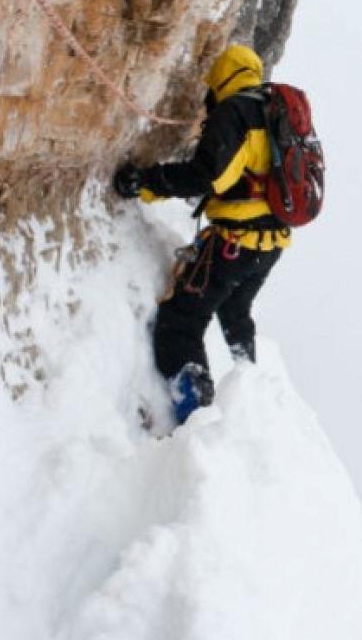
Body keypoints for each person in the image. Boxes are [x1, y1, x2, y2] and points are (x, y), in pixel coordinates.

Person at [112, 44, 290, 424]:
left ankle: (196, 418)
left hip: (234, 245)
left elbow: (208, 175)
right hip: (270, 246)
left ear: (221, 80)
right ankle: (250, 379)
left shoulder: (236, 113)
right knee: (235, 310)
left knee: (180, 325)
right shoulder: (274, 112)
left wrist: (146, 182)